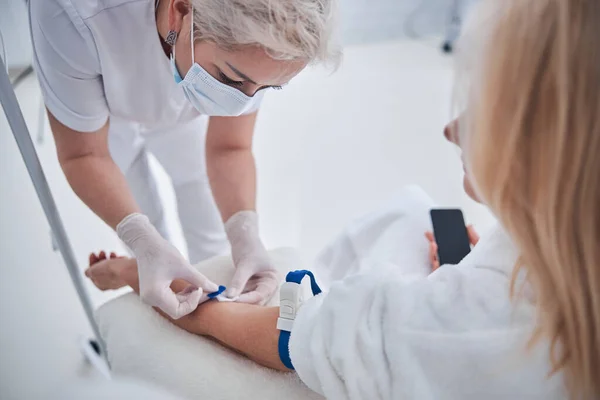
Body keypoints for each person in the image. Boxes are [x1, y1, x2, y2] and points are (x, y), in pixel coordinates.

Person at [85, 0, 600, 398]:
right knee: (415, 211)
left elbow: (295, 332)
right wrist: (469, 270)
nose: (451, 130)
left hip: (359, 328)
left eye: (484, 113)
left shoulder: (450, 326)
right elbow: (87, 153)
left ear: (548, 158)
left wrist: (143, 275)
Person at [29, 0, 338, 319]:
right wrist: (142, 241)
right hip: (104, 99)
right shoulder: (70, 16)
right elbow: (84, 153)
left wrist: (245, 229)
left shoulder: (247, 52)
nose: (241, 105)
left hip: (184, 75)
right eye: (232, 80)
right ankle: (129, 268)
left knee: (202, 197)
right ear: (179, 10)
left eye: (267, 88)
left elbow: (229, 147)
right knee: (142, 213)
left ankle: (145, 270)